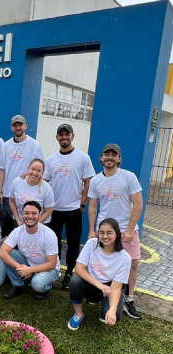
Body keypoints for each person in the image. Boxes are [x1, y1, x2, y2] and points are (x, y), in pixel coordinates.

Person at [87, 143, 144, 320]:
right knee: (102, 263)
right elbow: (93, 207)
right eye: (106, 155)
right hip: (103, 231)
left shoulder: (129, 177)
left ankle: (129, 299)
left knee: (133, 264)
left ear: (119, 159)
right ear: (101, 158)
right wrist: (91, 230)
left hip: (126, 231)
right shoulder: (96, 180)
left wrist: (128, 229)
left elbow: (138, 204)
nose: (109, 158)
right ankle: (99, 292)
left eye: (114, 155)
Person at [44, 123, 95, 290]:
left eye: (67, 134)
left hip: (74, 209)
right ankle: (55, 271)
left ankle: (69, 274)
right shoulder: (51, 159)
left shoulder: (82, 157)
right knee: (54, 243)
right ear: (57, 137)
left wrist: (83, 203)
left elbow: (88, 181)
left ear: (72, 136)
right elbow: (44, 182)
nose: (64, 137)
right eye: (61, 135)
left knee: (73, 244)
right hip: (54, 209)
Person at [67, 218, 131, 330]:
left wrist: (112, 310)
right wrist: (100, 285)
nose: (105, 236)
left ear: (117, 234)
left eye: (109, 232)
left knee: (110, 316)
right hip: (93, 283)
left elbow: (116, 288)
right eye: (102, 232)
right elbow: (79, 268)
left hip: (109, 288)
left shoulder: (125, 258)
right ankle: (78, 314)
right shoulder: (92, 244)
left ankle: (109, 304)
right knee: (75, 280)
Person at [0, 201, 60, 300]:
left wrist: (29, 270)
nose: (30, 216)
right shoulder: (17, 231)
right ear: (22, 215)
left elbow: (52, 264)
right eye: (26, 213)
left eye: (34, 213)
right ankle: (18, 286)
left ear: (39, 215)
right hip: (28, 263)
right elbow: (2, 252)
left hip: (48, 268)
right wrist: (21, 268)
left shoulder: (49, 234)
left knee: (38, 284)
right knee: (8, 253)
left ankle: (46, 287)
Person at [0, 115, 43, 214]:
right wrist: (0, 191)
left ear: (25, 126)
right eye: (15, 125)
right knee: (9, 226)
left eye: (20, 125)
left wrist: (28, 174)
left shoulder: (34, 145)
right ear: (11, 128)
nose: (18, 128)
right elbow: (2, 170)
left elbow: (40, 168)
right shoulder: (6, 146)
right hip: (8, 193)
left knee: (25, 224)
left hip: (27, 194)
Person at [9, 159, 54, 226]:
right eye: (33, 169)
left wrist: (35, 224)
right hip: (20, 222)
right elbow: (12, 201)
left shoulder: (47, 188)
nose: (35, 173)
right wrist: (18, 220)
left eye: (38, 171)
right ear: (28, 169)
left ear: (42, 173)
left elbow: (48, 211)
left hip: (39, 224)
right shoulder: (17, 182)